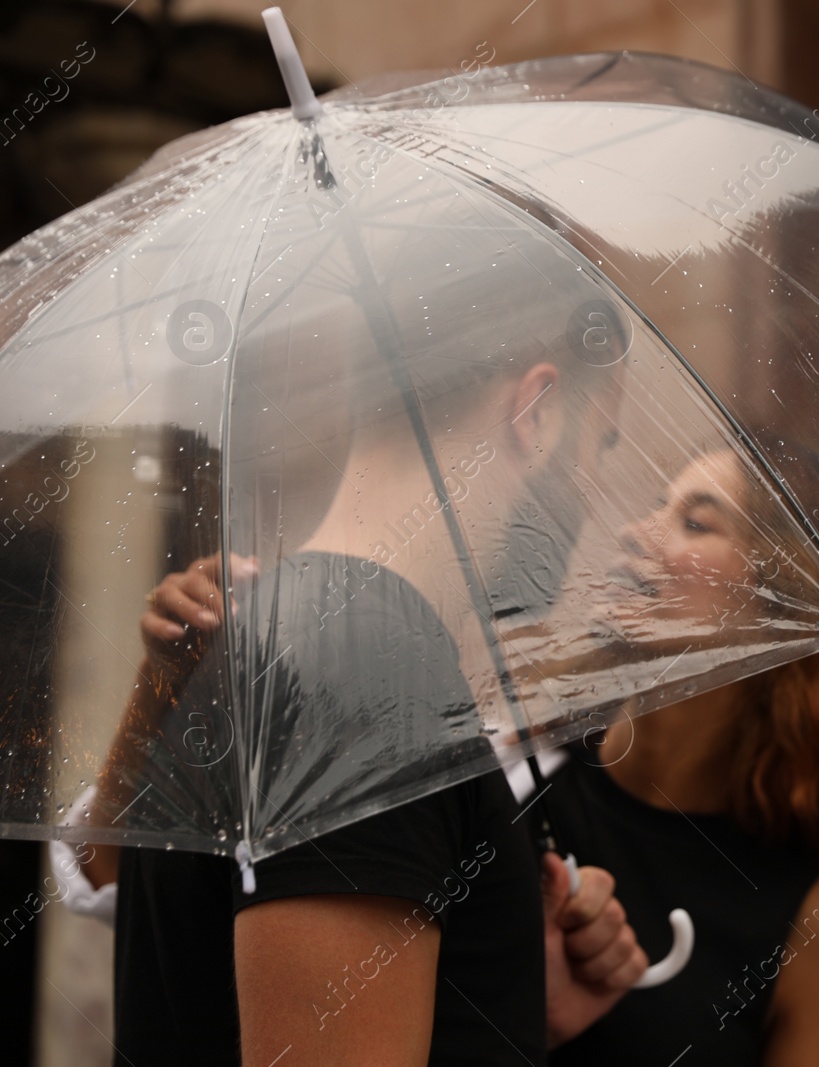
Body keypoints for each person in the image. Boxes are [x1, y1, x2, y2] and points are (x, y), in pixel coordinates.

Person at [75, 224, 650, 1066]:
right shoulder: (371, 677)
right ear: (537, 410)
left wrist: (506, 999)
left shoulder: (284, 628)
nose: (597, 498)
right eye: (601, 445)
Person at [511, 440, 819, 1066]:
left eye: (695, 522)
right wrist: (516, 1023)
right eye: (657, 506)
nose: (632, 534)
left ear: (786, 603)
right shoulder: (517, 771)